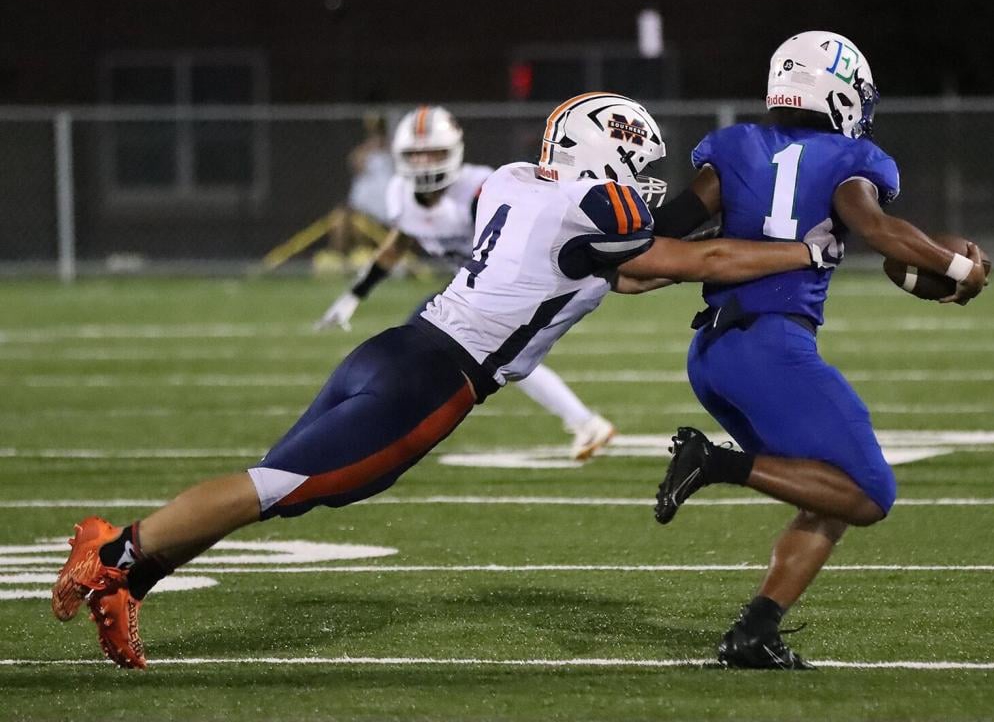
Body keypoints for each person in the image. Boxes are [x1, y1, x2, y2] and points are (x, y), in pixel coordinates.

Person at [51, 92, 826, 669]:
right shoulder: (596, 202)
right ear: (606, 151)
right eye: (637, 162)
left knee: (290, 489)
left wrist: (705, 257)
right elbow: (699, 259)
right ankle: (113, 551)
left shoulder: (519, 182)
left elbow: (621, 275)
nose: (643, 179)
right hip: (434, 377)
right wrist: (804, 253)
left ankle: (131, 581)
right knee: (277, 486)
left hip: (397, 347)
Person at [649, 32, 988, 669]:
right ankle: (712, 464)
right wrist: (961, 271)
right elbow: (880, 230)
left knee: (828, 490)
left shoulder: (732, 146)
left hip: (713, 351)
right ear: (834, 93)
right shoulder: (849, 158)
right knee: (868, 492)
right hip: (772, 348)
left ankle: (755, 632)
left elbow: (669, 227)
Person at [316, 105, 616, 460]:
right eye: (417, 154)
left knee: (460, 355)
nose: (425, 163)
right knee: (458, 354)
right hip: (472, 290)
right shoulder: (399, 192)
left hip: (515, 283)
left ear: (454, 151)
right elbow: (400, 242)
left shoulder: (480, 190)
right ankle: (585, 421)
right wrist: (355, 294)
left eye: (434, 153)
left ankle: (393, 429)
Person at [317, 113, 395, 275]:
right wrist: (369, 147)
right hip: (360, 210)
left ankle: (366, 257)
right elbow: (355, 163)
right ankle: (339, 260)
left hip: (382, 215)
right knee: (340, 219)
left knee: (362, 226)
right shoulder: (363, 153)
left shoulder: (392, 155)